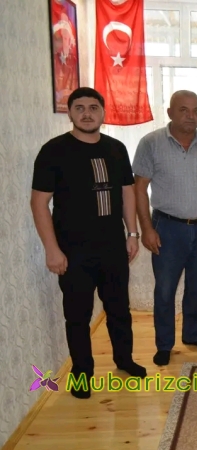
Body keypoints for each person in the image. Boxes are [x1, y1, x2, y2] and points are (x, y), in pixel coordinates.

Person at [30, 87, 147, 399]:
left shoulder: (116, 149)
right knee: (78, 316)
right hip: (73, 251)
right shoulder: (54, 151)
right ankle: (82, 374)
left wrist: (132, 234)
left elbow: (127, 192)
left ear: (103, 113)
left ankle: (124, 360)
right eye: (79, 107)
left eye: (93, 107)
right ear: (69, 112)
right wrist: (52, 249)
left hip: (113, 247)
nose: (86, 113)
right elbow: (39, 203)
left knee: (119, 309)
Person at [132, 90, 197, 366]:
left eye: (196, 110)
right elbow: (139, 188)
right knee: (165, 290)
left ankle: (193, 335)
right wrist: (146, 229)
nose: (191, 116)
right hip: (167, 229)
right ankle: (164, 345)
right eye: (184, 110)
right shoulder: (151, 143)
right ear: (170, 113)